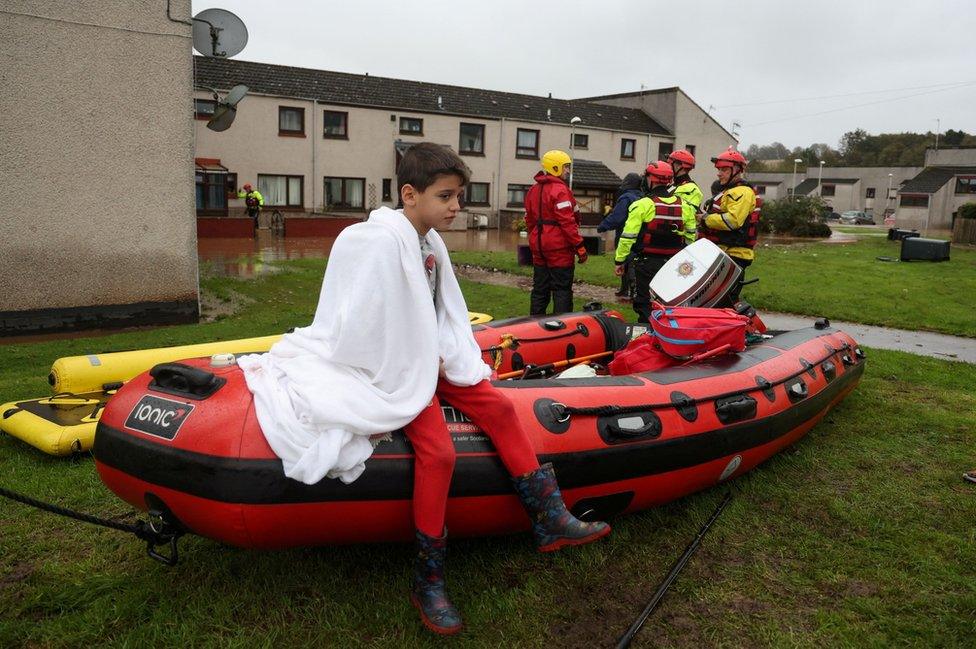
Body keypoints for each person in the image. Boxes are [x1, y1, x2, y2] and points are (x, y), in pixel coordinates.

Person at [238, 143, 609, 636]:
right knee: (439, 453)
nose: (457, 207)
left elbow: (438, 312)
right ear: (409, 195)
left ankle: (549, 519)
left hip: (427, 359)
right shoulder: (373, 240)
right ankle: (428, 578)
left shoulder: (429, 242)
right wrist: (414, 358)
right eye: (447, 196)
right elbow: (363, 321)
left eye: (460, 196)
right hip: (389, 369)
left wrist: (444, 354)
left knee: (499, 408)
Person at [613, 161, 695, 323]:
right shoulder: (685, 206)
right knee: (669, 302)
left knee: (644, 303)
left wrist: (620, 261)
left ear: (651, 179)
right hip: (674, 264)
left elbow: (628, 237)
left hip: (647, 263)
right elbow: (691, 237)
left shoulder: (641, 205)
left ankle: (647, 335)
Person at [524, 150, 588, 315]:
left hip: (538, 247)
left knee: (540, 288)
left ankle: (534, 325)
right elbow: (568, 222)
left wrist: (535, 238)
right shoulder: (560, 190)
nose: (568, 171)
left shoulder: (533, 190)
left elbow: (529, 220)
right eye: (565, 167)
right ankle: (563, 326)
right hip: (558, 248)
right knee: (561, 289)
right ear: (555, 167)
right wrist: (579, 245)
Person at [699, 148, 760, 303]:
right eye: (719, 170)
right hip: (724, 254)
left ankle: (739, 327)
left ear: (737, 170)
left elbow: (733, 220)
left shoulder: (742, 192)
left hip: (734, 255)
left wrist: (706, 218)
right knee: (714, 302)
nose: (719, 173)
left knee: (724, 304)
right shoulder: (729, 191)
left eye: (724, 170)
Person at [597, 172, 643, 301]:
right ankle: (630, 289)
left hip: (625, 234)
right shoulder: (643, 197)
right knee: (634, 263)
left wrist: (603, 226)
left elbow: (617, 217)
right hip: (640, 237)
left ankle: (628, 290)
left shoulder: (626, 197)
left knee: (624, 261)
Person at [667, 149, 704, 223]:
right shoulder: (672, 185)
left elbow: (685, 216)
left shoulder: (691, 189)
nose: (668, 166)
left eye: (670, 164)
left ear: (679, 166)